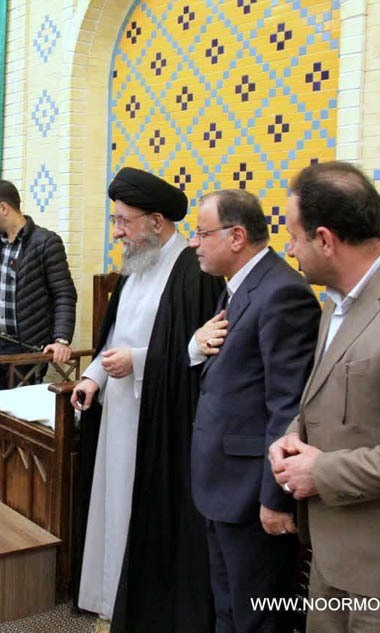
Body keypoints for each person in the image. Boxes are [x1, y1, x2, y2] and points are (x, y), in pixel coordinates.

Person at [269, 161, 380, 632]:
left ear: (325, 240)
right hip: (333, 559)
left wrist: (319, 472)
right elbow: (331, 394)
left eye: (293, 237)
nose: (289, 250)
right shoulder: (337, 303)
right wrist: (293, 436)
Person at [70, 167, 224, 631]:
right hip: (119, 407)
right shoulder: (136, 264)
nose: (117, 231)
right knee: (113, 505)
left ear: (157, 222)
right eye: (115, 220)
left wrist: (137, 361)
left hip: (159, 420)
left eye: (124, 221)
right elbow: (114, 334)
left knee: (140, 510)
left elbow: (196, 354)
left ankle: (139, 605)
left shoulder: (193, 272)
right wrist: (94, 376)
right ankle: (109, 594)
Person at [188, 189, 320, 633]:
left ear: (237, 237)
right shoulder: (239, 286)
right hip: (223, 485)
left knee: (259, 619)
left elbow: (287, 407)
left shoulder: (283, 294)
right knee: (228, 610)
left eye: (202, 233)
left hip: (252, 495)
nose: (195, 243)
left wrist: (275, 498)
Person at [0, 179, 76, 383]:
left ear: (3, 208)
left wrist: (61, 339)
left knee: (21, 403)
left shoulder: (46, 243)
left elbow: (64, 294)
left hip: (28, 349)